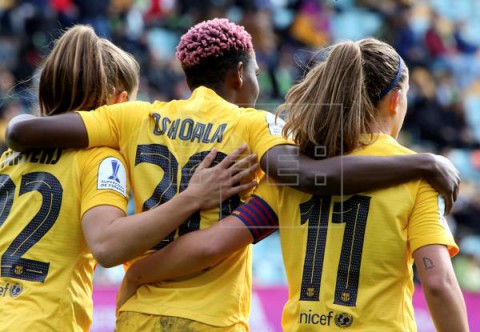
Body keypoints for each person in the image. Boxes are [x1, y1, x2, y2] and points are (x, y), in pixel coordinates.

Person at [6, 20, 460, 331]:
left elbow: (23, 130)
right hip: (214, 317)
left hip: (141, 314)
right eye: (259, 72)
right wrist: (422, 161)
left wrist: (140, 274)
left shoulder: (131, 117)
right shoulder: (255, 129)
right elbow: (304, 175)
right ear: (241, 74)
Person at [122, 38, 469, 331]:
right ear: (396, 100)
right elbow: (437, 283)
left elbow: (209, 246)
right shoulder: (419, 177)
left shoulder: (287, 179)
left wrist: (139, 272)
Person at [0, 24, 256, 332]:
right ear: (120, 103)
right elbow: (108, 245)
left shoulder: (10, 159)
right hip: (43, 321)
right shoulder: (101, 160)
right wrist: (192, 197)